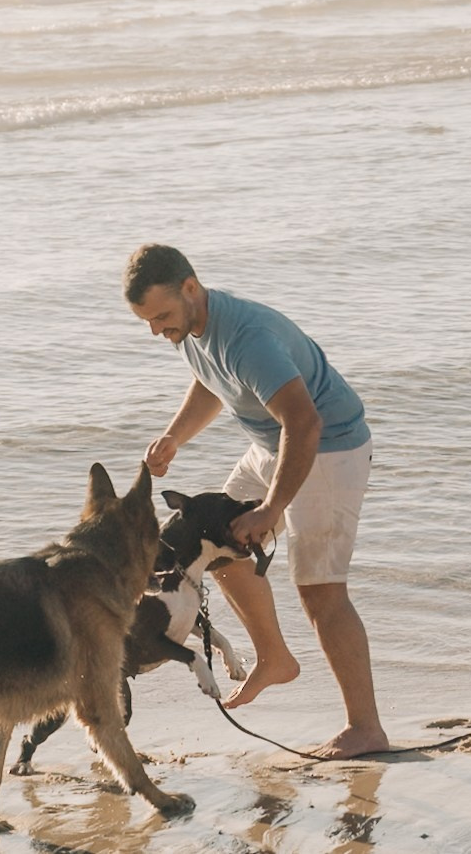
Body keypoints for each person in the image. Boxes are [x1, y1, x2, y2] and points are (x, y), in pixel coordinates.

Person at [125, 243, 389, 759]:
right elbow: (211, 384)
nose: (156, 330)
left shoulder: (249, 340)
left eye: (161, 316)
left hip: (327, 449)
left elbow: (304, 422)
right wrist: (175, 437)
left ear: (191, 288)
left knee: (320, 592)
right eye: (146, 321)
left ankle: (366, 729)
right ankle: (275, 658)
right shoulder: (194, 327)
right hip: (272, 445)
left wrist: (271, 509)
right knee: (219, 546)